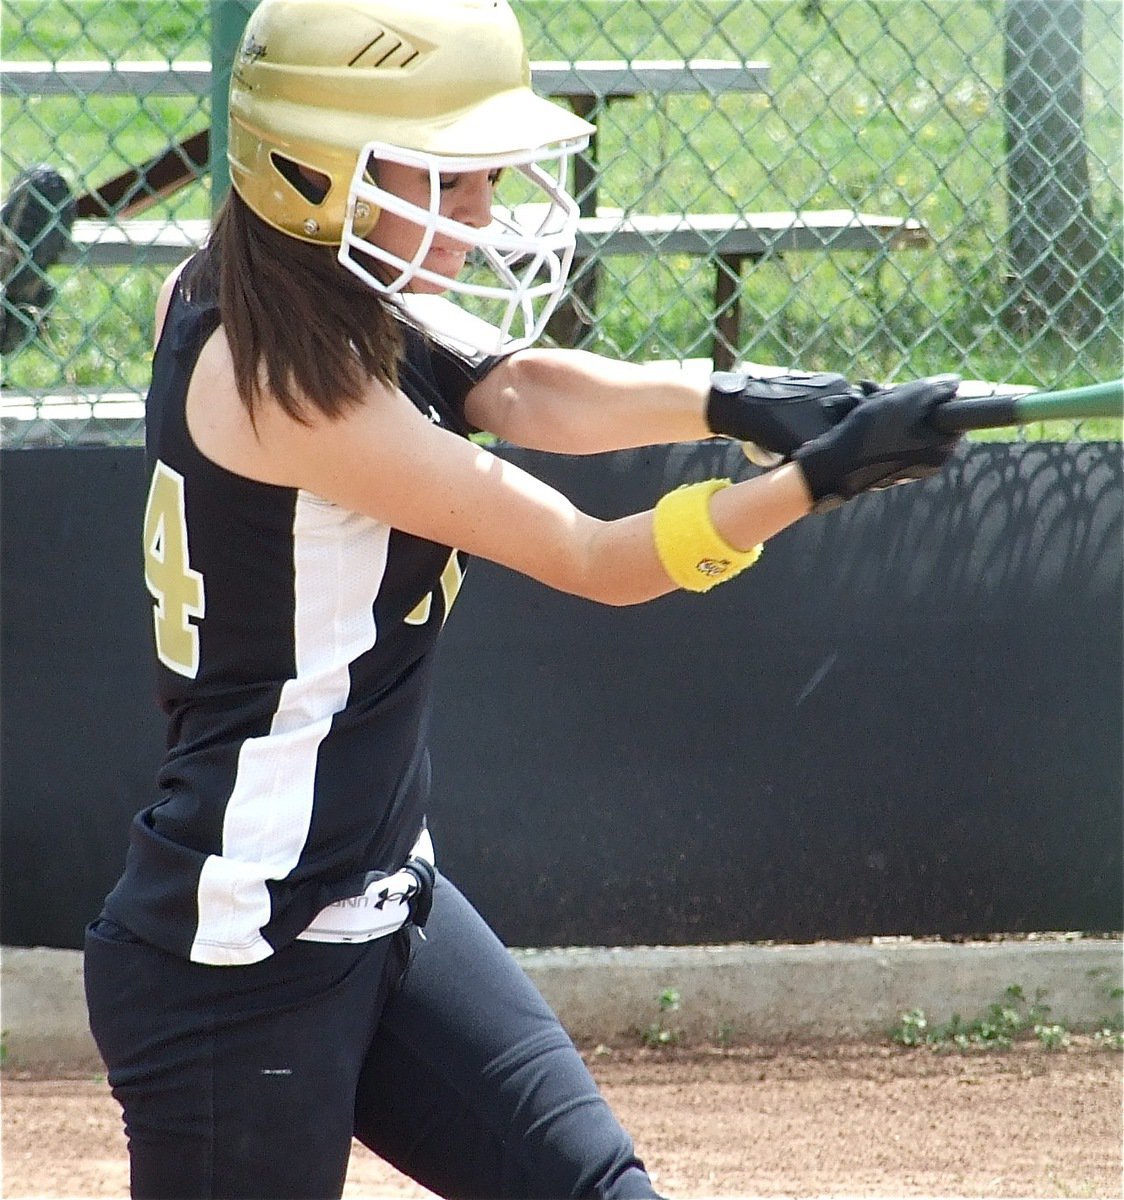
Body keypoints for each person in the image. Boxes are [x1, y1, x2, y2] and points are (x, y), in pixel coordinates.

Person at [82, 1, 961, 1197]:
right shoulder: (284, 383)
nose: (484, 214)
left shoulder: (296, 279)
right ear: (314, 169)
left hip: (385, 904)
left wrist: (735, 396)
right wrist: (812, 483)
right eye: (447, 178)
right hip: (243, 957)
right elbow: (596, 560)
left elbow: (520, 388)